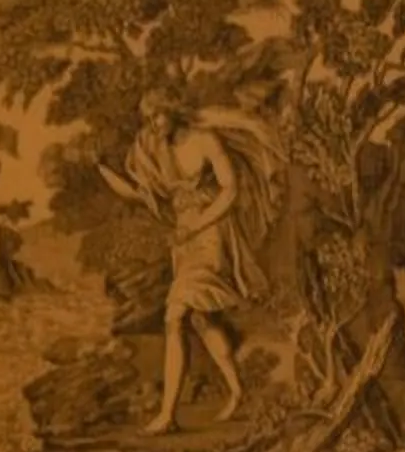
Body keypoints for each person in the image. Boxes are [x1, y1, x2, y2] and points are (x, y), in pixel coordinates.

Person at [96, 99, 279, 433]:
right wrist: (102, 170)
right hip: (184, 241)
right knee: (199, 317)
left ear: (174, 110)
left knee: (174, 315)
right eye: (148, 118)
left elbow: (230, 191)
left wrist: (198, 225)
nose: (154, 123)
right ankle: (238, 390)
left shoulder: (205, 139)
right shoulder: (154, 148)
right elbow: (141, 194)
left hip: (212, 233)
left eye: (158, 114)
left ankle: (167, 415)